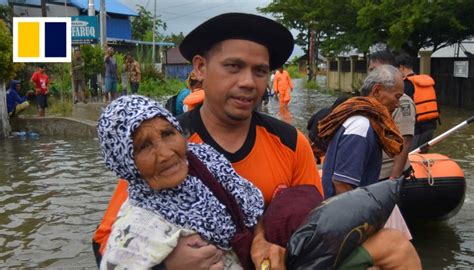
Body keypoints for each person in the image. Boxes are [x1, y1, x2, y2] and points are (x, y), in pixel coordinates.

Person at [93, 13, 421, 270]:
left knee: (396, 247)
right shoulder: (168, 148)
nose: (249, 82)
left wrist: (263, 240)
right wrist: (167, 263)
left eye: (260, 71)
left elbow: (314, 224)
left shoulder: (290, 141)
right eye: (233, 67)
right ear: (200, 68)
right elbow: (105, 242)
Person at [97, 95, 264, 269]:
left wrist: (261, 240)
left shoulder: (205, 160)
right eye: (144, 146)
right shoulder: (137, 229)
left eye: (168, 133)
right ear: (125, 163)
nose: (166, 154)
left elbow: (251, 207)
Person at [320, 64, 404, 197]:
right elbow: (342, 185)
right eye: (397, 97)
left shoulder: (364, 120)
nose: (398, 104)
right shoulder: (361, 126)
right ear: (377, 91)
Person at [368, 51, 416, 180]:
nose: (371, 74)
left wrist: (393, 179)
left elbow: (405, 141)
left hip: (385, 173)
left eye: (375, 70)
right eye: (370, 70)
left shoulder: (402, 102)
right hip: (371, 170)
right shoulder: (369, 102)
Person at [395, 53, 440, 152]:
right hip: (431, 126)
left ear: (401, 67)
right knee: (422, 157)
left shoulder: (407, 84)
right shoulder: (425, 82)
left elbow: (402, 108)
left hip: (416, 129)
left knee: (410, 158)